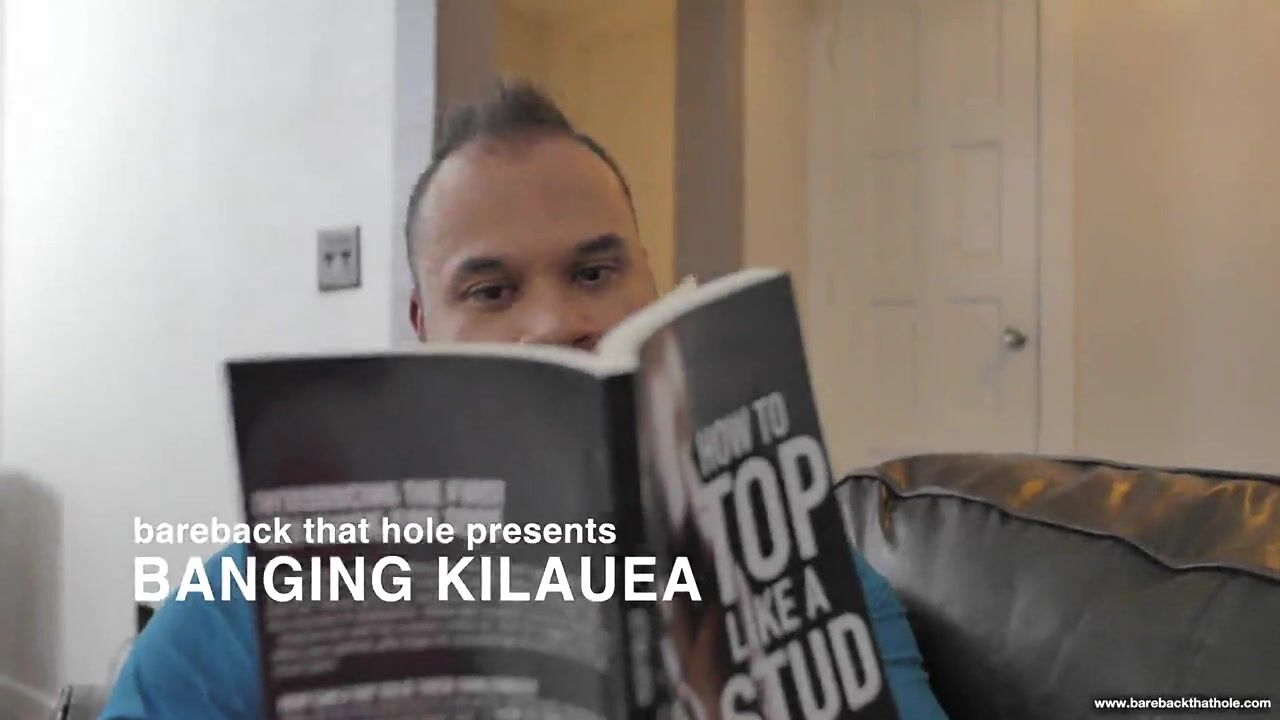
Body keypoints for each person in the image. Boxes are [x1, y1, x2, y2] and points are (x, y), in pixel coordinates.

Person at [101, 80, 948, 719]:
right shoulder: (248, 602)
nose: (553, 323)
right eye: (491, 290)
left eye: (594, 272)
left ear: (653, 287)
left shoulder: (798, 571)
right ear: (423, 327)